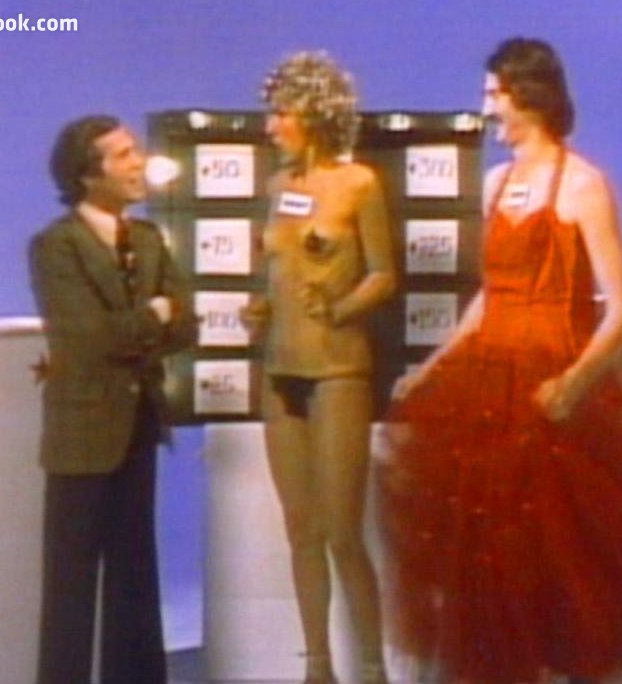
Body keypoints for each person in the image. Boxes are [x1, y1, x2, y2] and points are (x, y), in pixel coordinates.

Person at [381, 38, 622, 683]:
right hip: (484, 390)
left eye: (494, 94)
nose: (485, 109)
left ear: (528, 96)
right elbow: (490, 298)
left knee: (557, 557)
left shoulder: (583, 184)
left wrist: (575, 383)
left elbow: (620, 309)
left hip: (550, 385)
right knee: (487, 560)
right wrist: (431, 369)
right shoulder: (495, 185)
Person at [242, 52, 396, 683]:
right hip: (279, 370)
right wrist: (259, 307)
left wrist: (341, 306)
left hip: (337, 371)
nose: (270, 126)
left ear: (314, 114)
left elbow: (383, 274)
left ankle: (373, 667)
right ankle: (317, 666)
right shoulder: (278, 188)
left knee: (341, 533)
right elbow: (274, 270)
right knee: (300, 531)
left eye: (280, 113)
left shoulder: (359, 183)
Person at [29, 115, 194, 684]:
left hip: (138, 426)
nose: (139, 161)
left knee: (135, 578)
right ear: (87, 174)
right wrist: (153, 314)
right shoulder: (56, 246)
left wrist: (150, 321)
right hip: (81, 436)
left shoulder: (148, 239)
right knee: (70, 586)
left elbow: (185, 325)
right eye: (123, 155)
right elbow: (89, 338)